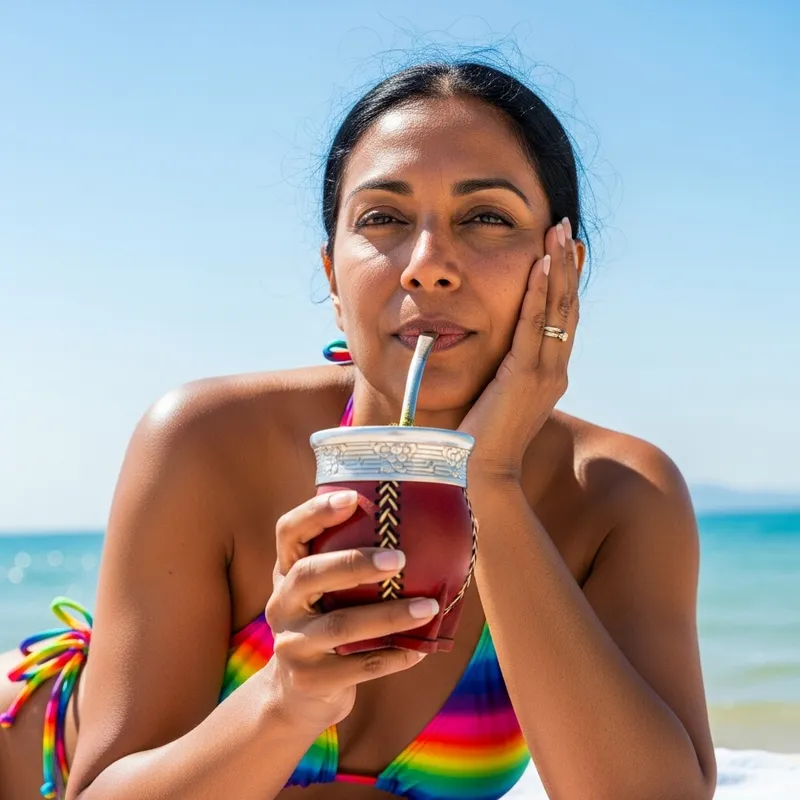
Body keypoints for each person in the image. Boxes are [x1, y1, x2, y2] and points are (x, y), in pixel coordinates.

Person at [0, 60, 717, 800]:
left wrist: (488, 479)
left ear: (563, 270)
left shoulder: (618, 500)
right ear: (334, 280)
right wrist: (285, 696)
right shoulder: (209, 443)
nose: (428, 265)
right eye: (383, 219)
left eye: (487, 217)